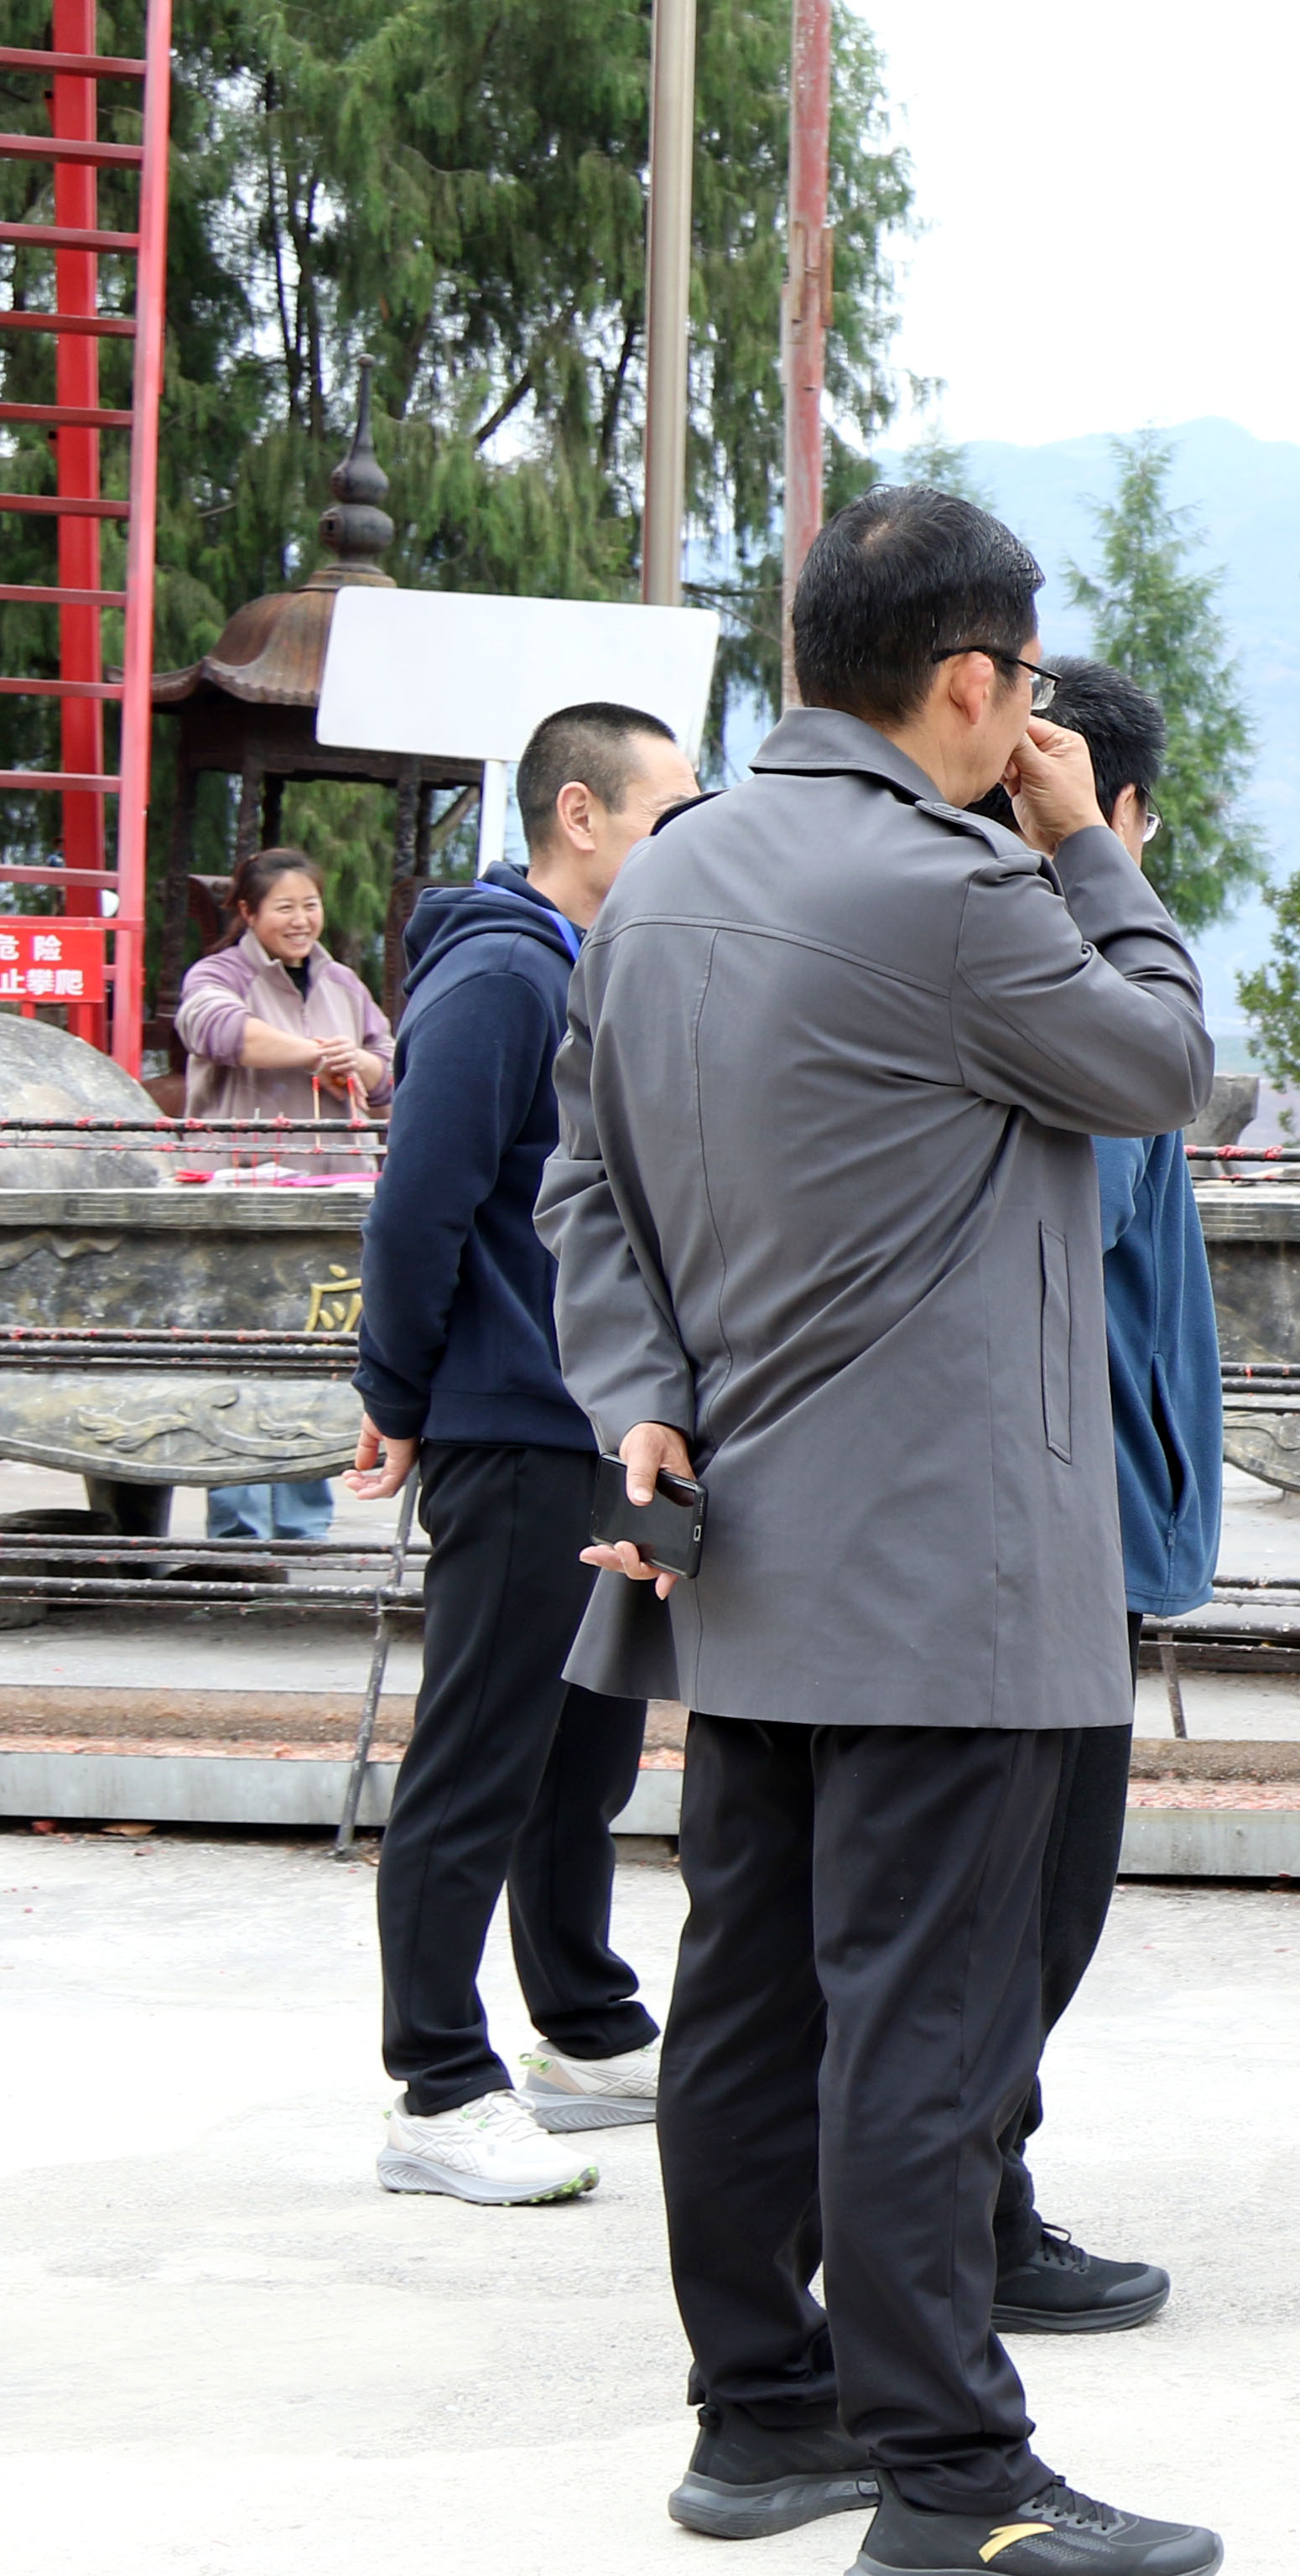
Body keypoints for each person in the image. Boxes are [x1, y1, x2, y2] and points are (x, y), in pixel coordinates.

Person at [544, 486, 1222, 2576]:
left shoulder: (669, 880)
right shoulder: (952, 884)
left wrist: (633, 1391)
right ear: (970, 680)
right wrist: (1084, 833)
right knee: (926, 2016)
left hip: (741, 1553)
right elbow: (1163, 1057)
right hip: (943, 1574)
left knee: (749, 1997)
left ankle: (758, 2412)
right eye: (1016, 687)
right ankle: (951, 2474)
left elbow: (585, 1179)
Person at [345, 701, 699, 2210]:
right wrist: (400, 1389)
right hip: (511, 1420)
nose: (684, 836)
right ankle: (436, 2079)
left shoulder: (591, 970)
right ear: (579, 812)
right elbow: (418, 1204)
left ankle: (584, 2025)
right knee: (482, 1754)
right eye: (662, 812)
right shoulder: (500, 975)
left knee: (584, 1749)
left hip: (602, 1426)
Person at [965, 655, 1215, 2340]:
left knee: (1004, 1901)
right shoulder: (1071, 988)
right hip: (1068, 1530)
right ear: (1111, 812)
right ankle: (970, 2222)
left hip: (1063, 1517)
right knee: (1029, 1905)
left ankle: (983, 2199)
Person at [180, 845, 394, 1536]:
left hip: (333, 1195)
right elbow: (218, 1032)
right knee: (244, 1356)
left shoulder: (343, 983)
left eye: (311, 905)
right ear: (246, 912)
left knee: (320, 1354)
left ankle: (304, 1525)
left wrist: (356, 1062)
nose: (303, 920)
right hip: (246, 1196)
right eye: (285, 907)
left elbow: (391, 1072)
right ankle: (238, 1530)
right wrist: (315, 1054)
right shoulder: (217, 974)